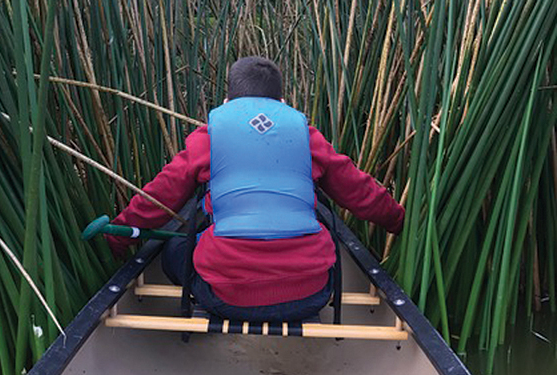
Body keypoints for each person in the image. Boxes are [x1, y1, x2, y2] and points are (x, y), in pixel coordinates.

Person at [106, 56, 404, 322]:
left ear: (226, 102)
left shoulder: (207, 136)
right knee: (322, 227)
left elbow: (159, 196)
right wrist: (400, 221)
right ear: (283, 102)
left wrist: (117, 236)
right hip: (310, 295)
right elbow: (361, 193)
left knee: (175, 248)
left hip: (224, 298)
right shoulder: (307, 136)